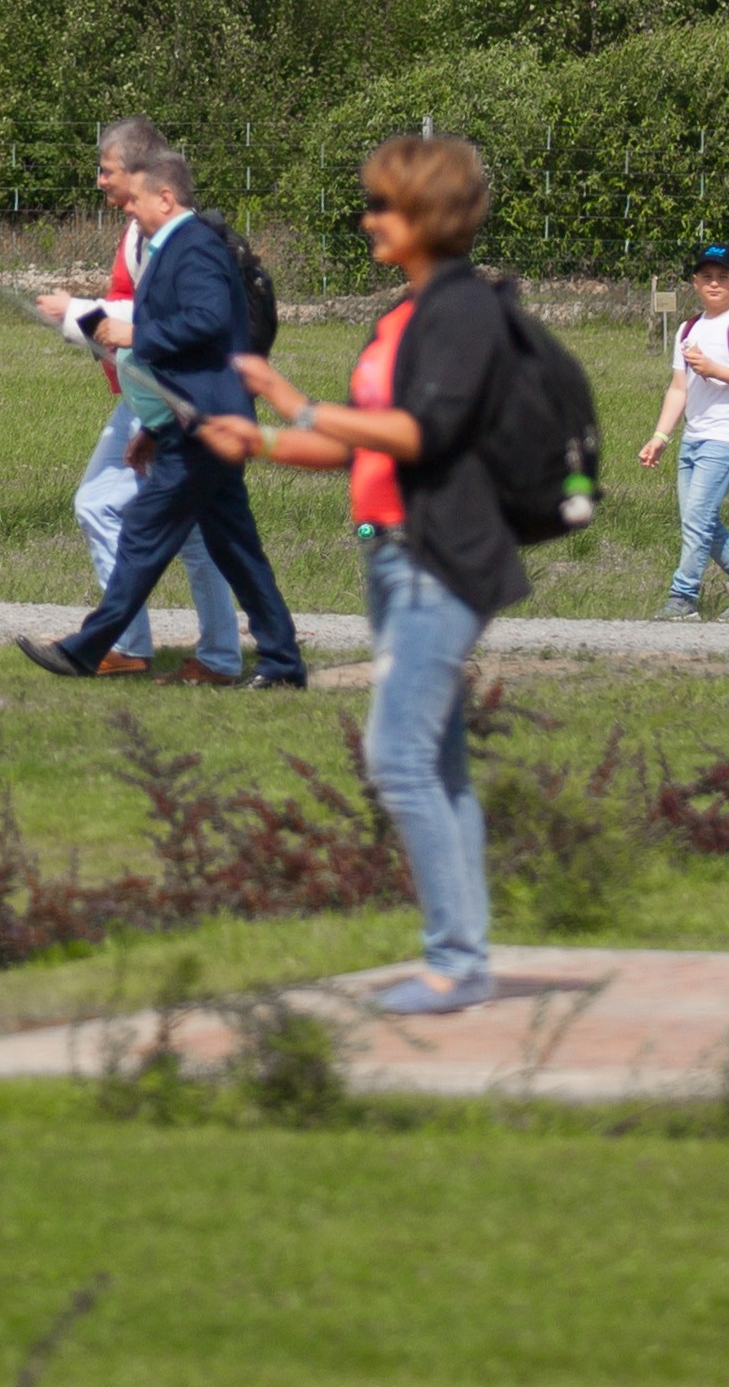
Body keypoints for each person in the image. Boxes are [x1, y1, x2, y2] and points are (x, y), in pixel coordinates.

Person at [213, 130, 536, 1014]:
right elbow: (358, 435)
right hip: (391, 549)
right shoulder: (399, 317)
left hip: (444, 555)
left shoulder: (464, 312)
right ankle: (463, 956)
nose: (369, 218)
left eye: (385, 204)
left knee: (396, 757)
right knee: (438, 762)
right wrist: (266, 439)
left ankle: (455, 961)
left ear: (430, 214)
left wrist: (291, 398)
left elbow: (420, 433)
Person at [12, 122, 305, 689]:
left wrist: (133, 334)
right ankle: (284, 665)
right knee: (237, 552)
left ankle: (89, 648)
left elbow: (208, 321)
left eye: (138, 202)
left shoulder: (192, 247)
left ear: (165, 197)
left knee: (145, 531)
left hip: (205, 427)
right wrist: (153, 424)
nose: (131, 212)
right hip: (192, 421)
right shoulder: (170, 246)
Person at [640, 241, 729, 620]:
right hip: (694, 437)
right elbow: (678, 388)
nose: (715, 283)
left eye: (723, 277)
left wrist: (715, 370)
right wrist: (660, 436)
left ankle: (682, 598)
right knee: (697, 518)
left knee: (699, 517)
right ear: (695, 282)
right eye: (707, 277)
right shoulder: (688, 329)